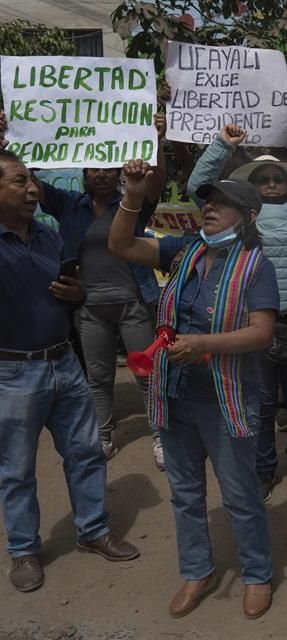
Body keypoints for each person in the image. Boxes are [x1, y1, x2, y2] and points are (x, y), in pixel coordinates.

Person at [108, 161, 279, 619]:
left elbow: (262, 332)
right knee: (184, 492)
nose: (210, 208)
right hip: (175, 391)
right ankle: (197, 571)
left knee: (240, 494)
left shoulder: (257, 267)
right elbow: (121, 243)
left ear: (248, 215)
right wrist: (133, 194)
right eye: (208, 200)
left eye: (223, 203)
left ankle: (257, 574)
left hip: (225, 396)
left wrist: (204, 344)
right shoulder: (185, 251)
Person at [0, 150, 140, 593]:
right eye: (20, 181)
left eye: (32, 181)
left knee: (86, 453)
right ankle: (24, 550)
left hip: (64, 362)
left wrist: (77, 294)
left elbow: (68, 298)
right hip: (12, 373)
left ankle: (94, 531)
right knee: (17, 469)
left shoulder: (46, 237)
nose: (33, 189)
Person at [188, 122, 287, 502]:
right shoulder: (240, 215)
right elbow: (200, 189)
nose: (273, 183)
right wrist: (222, 145)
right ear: (254, 186)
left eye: (278, 177)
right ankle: (264, 470)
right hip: (255, 321)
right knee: (260, 400)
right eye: (264, 178)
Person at [0, 111, 168, 466]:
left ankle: (161, 436)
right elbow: (30, 182)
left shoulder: (133, 204)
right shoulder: (68, 204)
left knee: (145, 373)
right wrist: (10, 139)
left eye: (109, 168)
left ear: (119, 171)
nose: (102, 174)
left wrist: (157, 141)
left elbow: (156, 182)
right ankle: (103, 435)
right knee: (98, 375)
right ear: (84, 174)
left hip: (134, 303)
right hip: (88, 307)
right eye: (95, 169)